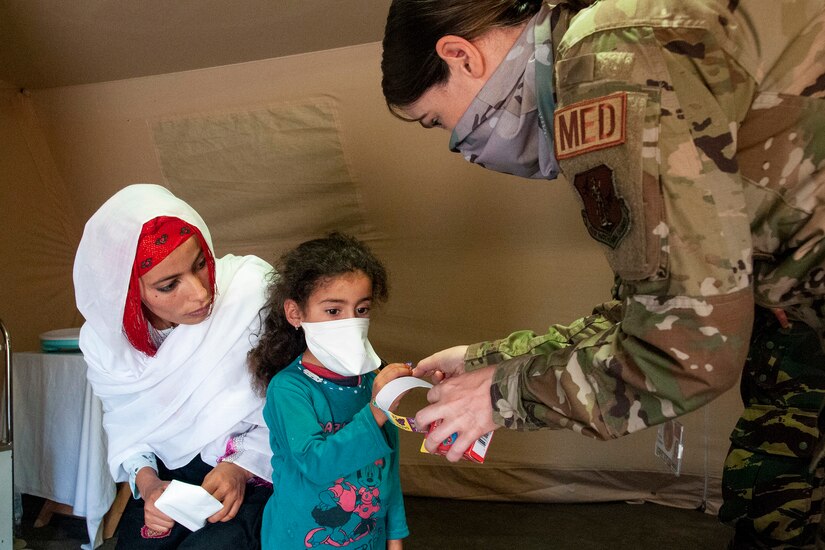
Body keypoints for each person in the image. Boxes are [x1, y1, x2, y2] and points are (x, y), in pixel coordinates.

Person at [381, 0, 825, 548]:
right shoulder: (621, 33)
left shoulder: (602, 62)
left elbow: (685, 348)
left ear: (459, 56)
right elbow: (642, 310)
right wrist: (486, 362)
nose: (458, 146)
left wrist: (500, 397)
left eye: (435, 121)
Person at [73, 184, 274, 548]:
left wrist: (240, 467)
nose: (200, 293)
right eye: (168, 285)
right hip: (168, 476)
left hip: (258, 464)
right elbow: (124, 425)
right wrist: (149, 486)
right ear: (128, 293)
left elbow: (295, 397)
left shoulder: (251, 291)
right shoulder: (105, 344)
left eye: (200, 264)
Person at [247, 232, 410, 549]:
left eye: (361, 310)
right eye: (334, 311)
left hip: (367, 540)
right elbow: (317, 465)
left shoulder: (372, 381)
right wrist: (375, 410)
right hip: (298, 540)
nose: (351, 322)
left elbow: (390, 468)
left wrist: (396, 535)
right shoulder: (289, 389)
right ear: (296, 313)